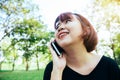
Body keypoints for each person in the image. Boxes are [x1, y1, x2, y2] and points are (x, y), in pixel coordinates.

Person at [43, 12, 120, 80]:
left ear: (86, 30)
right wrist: (57, 70)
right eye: (57, 26)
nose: (60, 28)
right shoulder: (52, 69)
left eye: (67, 21)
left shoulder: (109, 65)